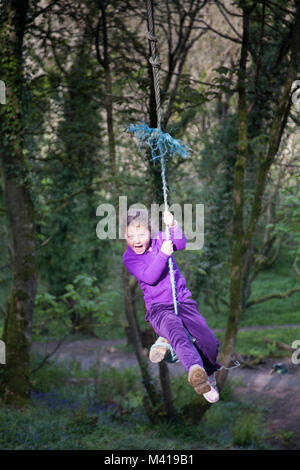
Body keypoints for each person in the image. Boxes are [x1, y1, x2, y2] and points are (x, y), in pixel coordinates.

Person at [122, 210, 221, 403]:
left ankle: (208, 375)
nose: (136, 240)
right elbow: (150, 277)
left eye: (141, 234)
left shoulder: (160, 239)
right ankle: (195, 371)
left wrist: (174, 225)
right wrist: (163, 255)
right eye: (130, 236)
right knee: (177, 333)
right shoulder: (129, 258)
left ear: (150, 232)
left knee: (210, 343)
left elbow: (181, 243)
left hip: (183, 301)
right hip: (159, 309)